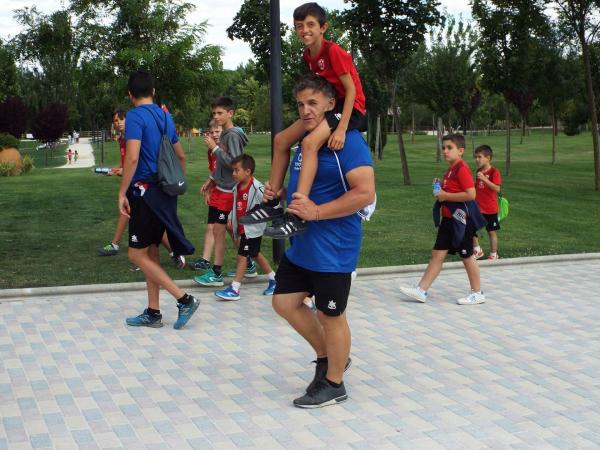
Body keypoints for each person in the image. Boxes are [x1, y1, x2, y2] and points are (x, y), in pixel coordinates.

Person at [269, 74, 375, 408]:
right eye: (300, 104)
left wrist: (316, 212)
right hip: (303, 245)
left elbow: (365, 193)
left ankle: (334, 383)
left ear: (332, 105)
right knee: (284, 302)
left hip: (334, 248)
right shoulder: (306, 141)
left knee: (332, 316)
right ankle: (329, 358)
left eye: (313, 103)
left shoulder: (349, 141)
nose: (305, 110)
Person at [240, 2, 367, 239]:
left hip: (350, 108)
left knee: (309, 145)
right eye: (299, 26)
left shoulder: (334, 52)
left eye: (310, 25)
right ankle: (272, 201)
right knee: (281, 140)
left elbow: (351, 92)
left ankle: (297, 214)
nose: (304, 30)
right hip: (327, 106)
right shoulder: (308, 55)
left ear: (323, 27)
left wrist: (340, 128)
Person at [118, 70, 198, 329]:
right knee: (150, 251)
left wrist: (122, 192)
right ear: (153, 91)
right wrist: (175, 183)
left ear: (130, 95)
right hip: (164, 191)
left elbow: (132, 157)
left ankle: (184, 299)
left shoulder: (134, 116)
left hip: (145, 193)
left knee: (135, 255)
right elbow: (181, 157)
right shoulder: (165, 116)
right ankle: (153, 312)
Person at [399, 134, 487, 306]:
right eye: (444, 147)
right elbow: (450, 193)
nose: (445, 151)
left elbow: (471, 194)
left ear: (460, 151)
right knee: (437, 254)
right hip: (448, 220)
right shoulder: (451, 169)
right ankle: (421, 290)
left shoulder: (461, 168)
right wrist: (440, 189)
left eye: (449, 148)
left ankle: (477, 293)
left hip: (461, 221)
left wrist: (445, 195)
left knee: (466, 255)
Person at [97, 110, 186, 269]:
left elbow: (135, 160)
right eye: (116, 121)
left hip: (142, 184)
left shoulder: (137, 133)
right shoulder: (123, 139)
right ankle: (147, 254)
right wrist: (115, 169)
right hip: (135, 183)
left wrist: (124, 175)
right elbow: (126, 160)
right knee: (138, 218)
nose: (118, 123)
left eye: (121, 119)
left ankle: (163, 256)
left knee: (147, 220)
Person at [193, 97, 249, 287]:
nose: (216, 117)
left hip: (229, 190)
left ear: (230, 113)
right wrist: (212, 181)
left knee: (225, 229)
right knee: (219, 229)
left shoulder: (231, 135)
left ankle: (219, 272)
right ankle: (238, 266)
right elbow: (221, 167)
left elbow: (234, 163)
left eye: (220, 113)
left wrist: (215, 148)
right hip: (221, 187)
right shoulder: (225, 134)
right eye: (214, 113)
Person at [213, 154, 277, 301]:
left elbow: (272, 204)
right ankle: (274, 280)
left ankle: (235, 288)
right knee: (255, 254)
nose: (233, 174)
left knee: (242, 256)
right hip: (243, 228)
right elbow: (236, 205)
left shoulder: (258, 188)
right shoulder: (237, 187)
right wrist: (230, 217)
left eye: (236, 170)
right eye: (233, 170)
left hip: (252, 230)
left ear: (247, 171)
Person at [472, 145, 502, 260]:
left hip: (490, 208)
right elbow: (477, 187)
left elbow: (497, 188)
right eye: (476, 157)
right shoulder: (479, 171)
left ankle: (494, 254)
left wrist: (485, 179)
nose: (477, 159)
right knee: (470, 228)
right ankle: (477, 249)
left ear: (488, 158)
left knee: (491, 232)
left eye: (479, 157)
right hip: (478, 207)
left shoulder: (494, 171)